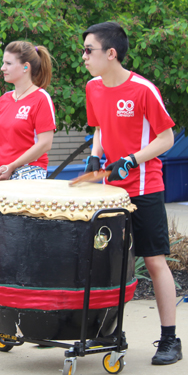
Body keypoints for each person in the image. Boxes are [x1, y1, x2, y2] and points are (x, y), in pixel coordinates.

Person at [82, 21, 182, 365]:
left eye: (89, 50)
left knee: (154, 262)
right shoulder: (93, 87)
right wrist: (96, 153)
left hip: (144, 189)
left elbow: (166, 138)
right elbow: (98, 126)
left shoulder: (143, 90)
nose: (84, 57)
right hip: (110, 193)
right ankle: (108, 332)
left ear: (111, 53)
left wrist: (132, 159)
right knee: (109, 263)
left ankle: (169, 339)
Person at [0, 40, 56, 183]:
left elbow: (45, 144)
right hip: (1, 173)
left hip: (29, 170)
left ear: (26, 67)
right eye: (3, 63)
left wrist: (12, 166)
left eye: (8, 64)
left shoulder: (41, 98)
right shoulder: (3, 99)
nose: (2, 68)